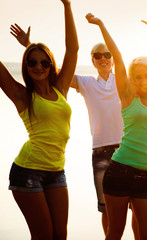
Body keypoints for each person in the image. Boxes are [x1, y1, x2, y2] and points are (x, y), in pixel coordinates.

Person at [10, 6, 147, 238]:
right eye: (97, 56)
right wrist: (29, 45)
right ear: (92, 61)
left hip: (128, 150)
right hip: (101, 151)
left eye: (106, 55)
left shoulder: (125, 83)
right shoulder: (85, 83)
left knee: (138, 212)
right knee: (108, 211)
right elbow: (49, 68)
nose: (103, 58)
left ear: (112, 60)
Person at [84, 9, 147, 240]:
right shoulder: (128, 97)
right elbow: (118, 59)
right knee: (115, 234)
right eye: (137, 76)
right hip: (119, 170)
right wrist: (100, 23)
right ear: (132, 79)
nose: (143, 80)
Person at [0, 0, 78, 239]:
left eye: (44, 62)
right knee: (43, 235)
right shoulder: (22, 95)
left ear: (50, 64)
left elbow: (72, 50)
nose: (38, 66)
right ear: (25, 65)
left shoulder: (61, 88)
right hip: (28, 171)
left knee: (60, 235)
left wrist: (67, 5)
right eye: (31, 62)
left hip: (57, 170)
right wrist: (28, 46)